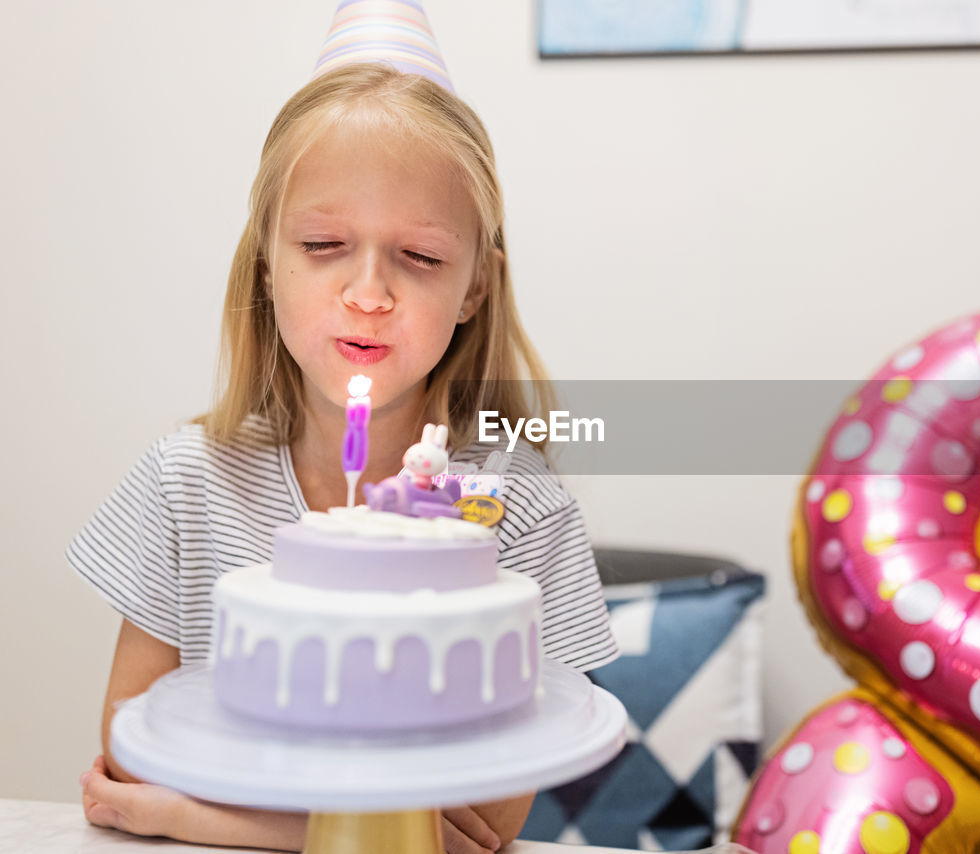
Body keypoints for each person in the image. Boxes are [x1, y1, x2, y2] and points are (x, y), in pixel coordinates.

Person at [68, 5, 618, 851]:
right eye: (324, 242)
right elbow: (137, 759)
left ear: (475, 287)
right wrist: (351, 820)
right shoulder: (186, 484)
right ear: (266, 257)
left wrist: (193, 814)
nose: (369, 292)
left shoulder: (520, 509)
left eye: (422, 257)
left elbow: (481, 829)